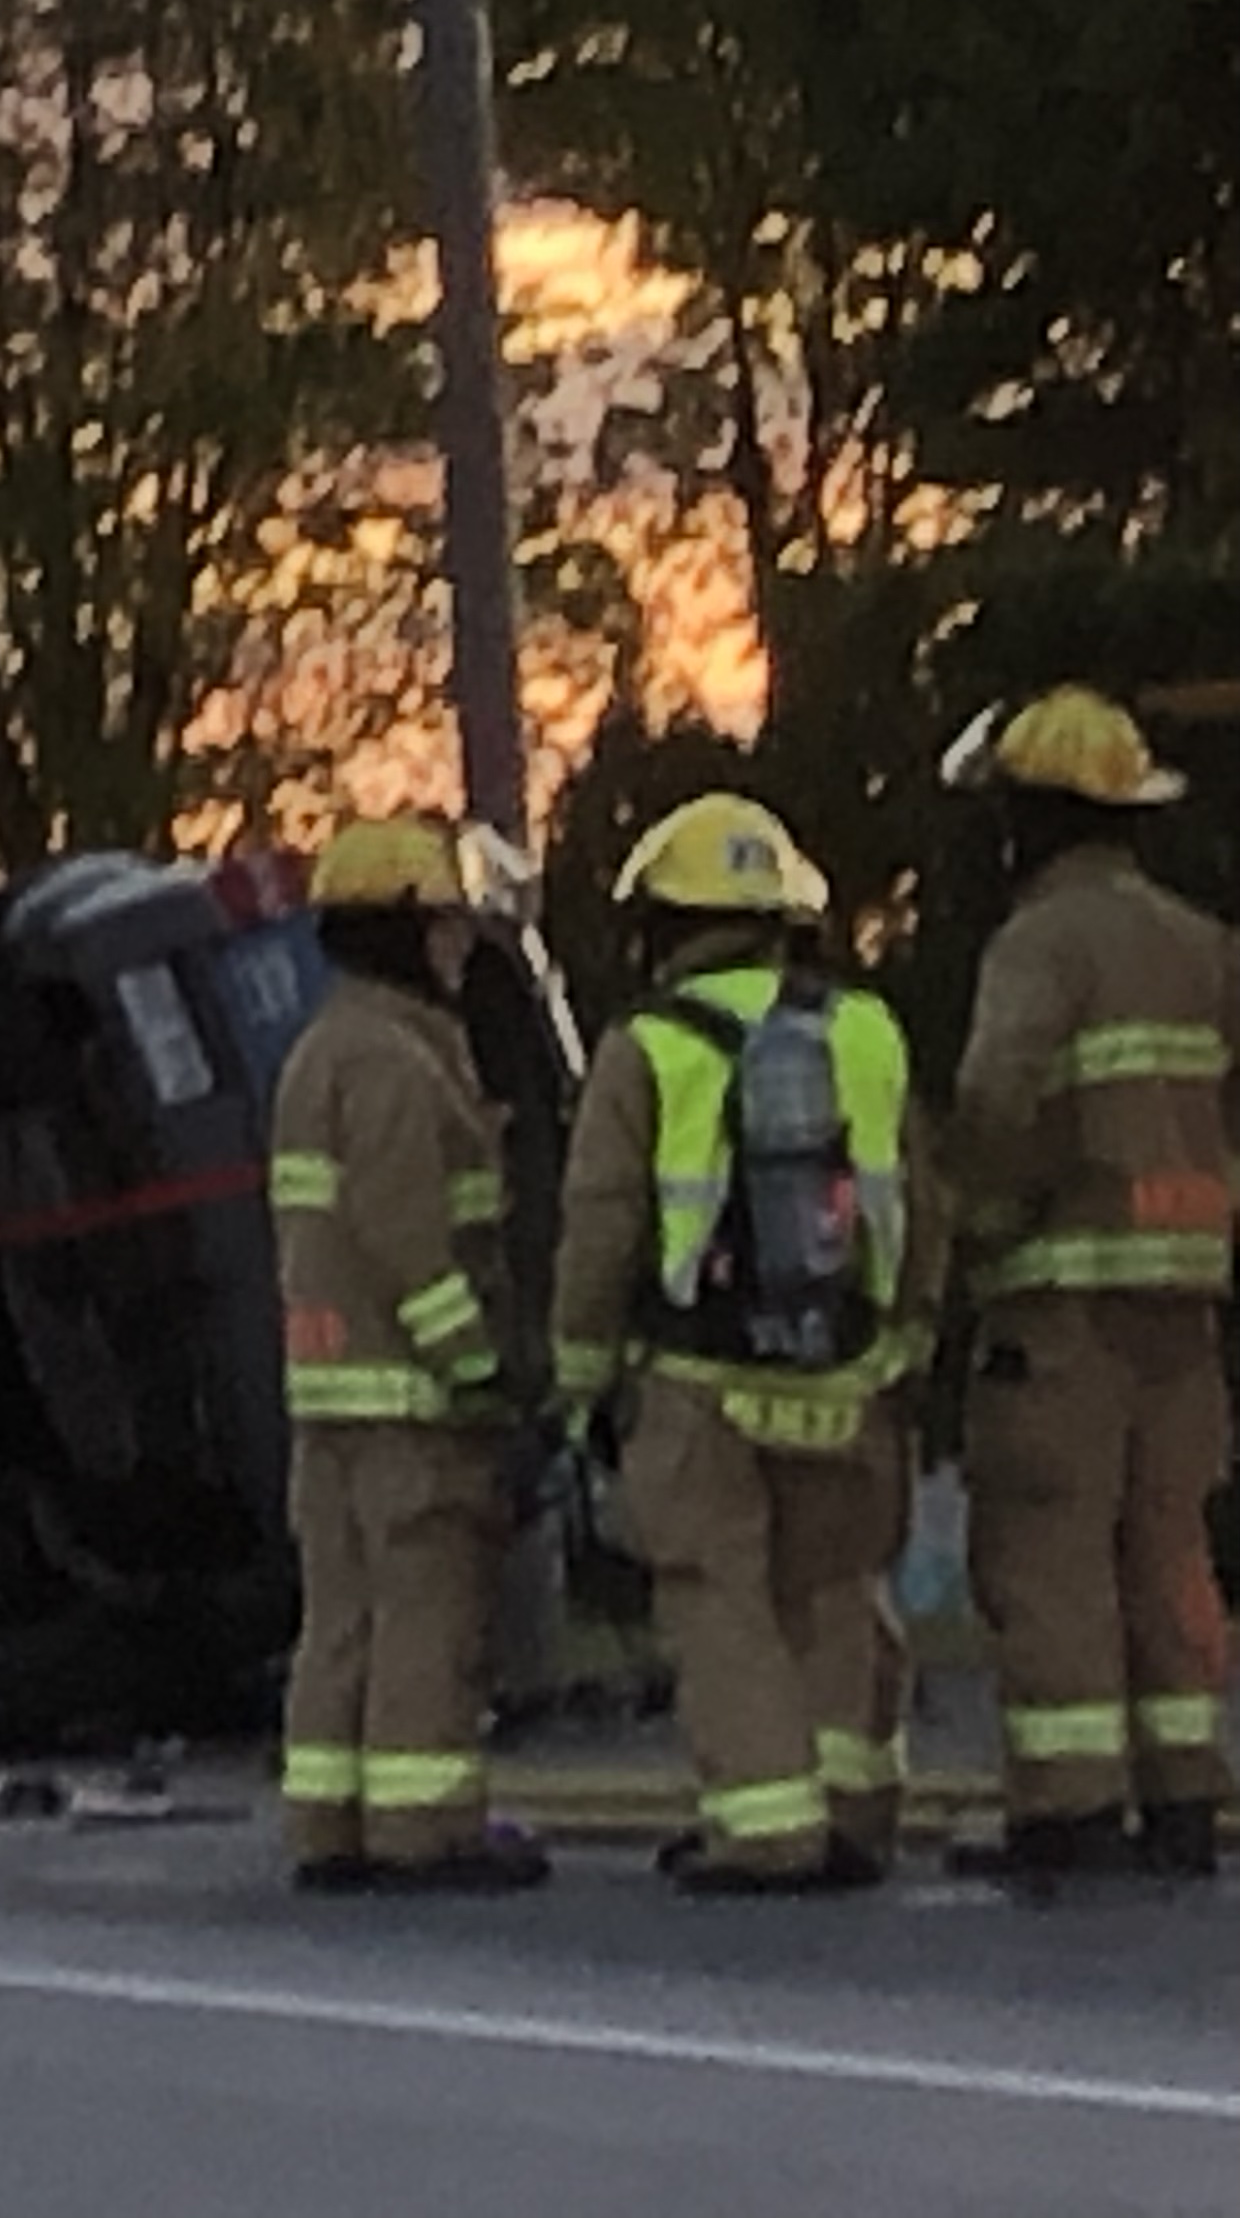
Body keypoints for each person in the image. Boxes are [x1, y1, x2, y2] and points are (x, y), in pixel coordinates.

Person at [551, 792, 936, 1895]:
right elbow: (924, 1197)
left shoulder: (651, 1047)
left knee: (719, 1595)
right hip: (844, 1374)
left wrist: (579, 1383)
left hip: (699, 1381)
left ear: (665, 927)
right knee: (832, 1588)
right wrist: (905, 1338)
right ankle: (855, 1811)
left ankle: (767, 1827)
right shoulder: (867, 1031)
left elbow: (603, 1227)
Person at [939, 686, 1240, 1883]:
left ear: (1028, 818)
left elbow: (998, 1101)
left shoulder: (1041, 943)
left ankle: (1067, 1808)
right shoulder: (1205, 944)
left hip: (1059, 1309)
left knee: (1048, 1551)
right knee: (1167, 1547)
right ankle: (1181, 1794)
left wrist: (982, 1229)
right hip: (1187, 1309)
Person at [269, 815, 546, 1894]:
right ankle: (423, 1832)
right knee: (426, 1617)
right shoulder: (390, 1062)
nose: (460, 948)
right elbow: (407, 1237)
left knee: (343, 1621)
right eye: (443, 928)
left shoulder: (323, 1051)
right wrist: (478, 1366)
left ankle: (331, 1824)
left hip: (334, 1406)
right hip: (410, 1406)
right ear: (398, 935)